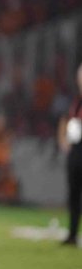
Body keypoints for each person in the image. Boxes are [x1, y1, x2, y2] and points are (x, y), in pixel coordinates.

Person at [57, 63, 82, 247]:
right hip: (75, 149)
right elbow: (65, 120)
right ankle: (72, 234)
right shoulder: (76, 100)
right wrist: (63, 141)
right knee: (74, 193)